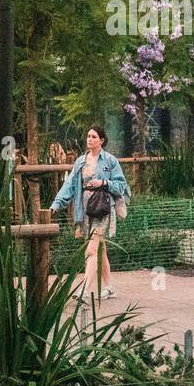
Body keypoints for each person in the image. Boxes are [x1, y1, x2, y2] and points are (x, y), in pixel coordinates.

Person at [49, 125, 130, 303]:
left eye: (94, 137)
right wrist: (56, 204)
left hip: (103, 209)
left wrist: (104, 183)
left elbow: (121, 186)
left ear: (101, 140)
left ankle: (85, 291)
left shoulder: (110, 161)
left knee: (92, 249)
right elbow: (69, 185)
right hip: (85, 210)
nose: (90, 139)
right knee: (100, 249)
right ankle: (109, 287)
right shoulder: (80, 162)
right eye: (88, 136)